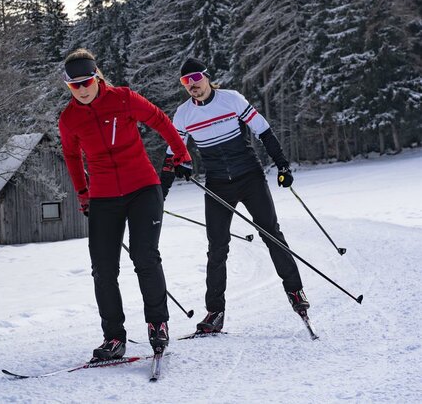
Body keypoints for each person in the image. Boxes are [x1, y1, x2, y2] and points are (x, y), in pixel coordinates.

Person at [57, 49, 192, 358]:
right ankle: (114, 338)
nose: (82, 89)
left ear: (97, 77)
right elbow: (71, 156)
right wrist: (83, 192)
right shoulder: (69, 119)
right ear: (68, 86)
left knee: (145, 257)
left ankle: (157, 324)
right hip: (103, 196)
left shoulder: (123, 98)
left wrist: (181, 154)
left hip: (142, 187)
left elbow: (158, 119)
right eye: (74, 85)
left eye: (87, 81)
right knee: (103, 270)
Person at [161, 57, 310, 335]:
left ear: (207, 77)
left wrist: (282, 165)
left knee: (271, 234)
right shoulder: (183, 114)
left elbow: (263, 131)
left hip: (249, 177)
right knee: (217, 248)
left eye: (196, 79)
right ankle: (215, 312)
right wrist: (162, 193)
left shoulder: (231, 99)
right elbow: (173, 154)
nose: (192, 85)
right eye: (185, 81)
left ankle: (295, 292)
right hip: (217, 184)